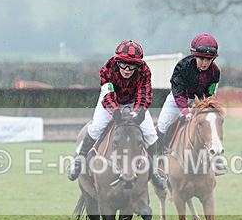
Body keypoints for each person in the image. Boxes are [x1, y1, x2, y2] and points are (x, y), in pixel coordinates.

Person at [66, 40, 167, 190]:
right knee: (96, 128)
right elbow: (108, 96)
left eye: (131, 65)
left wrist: (139, 111)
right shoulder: (107, 69)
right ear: (117, 62)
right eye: (123, 64)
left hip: (134, 102)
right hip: (111, 101)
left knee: (151, 134)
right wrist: (115, 112)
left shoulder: (145, 71)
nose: (127, 69)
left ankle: (154, 173)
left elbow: (144, 94)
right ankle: (78, 159)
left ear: (138, 65)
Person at [156, 33, 226, 175]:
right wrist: (186, 112)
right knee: (163, 124)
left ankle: (216, 161)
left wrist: (208, 108)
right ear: (194, 56)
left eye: (209, 59)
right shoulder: (182, 67)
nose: (205, 63)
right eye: (201, 59)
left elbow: (210, 94)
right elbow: (178, 92)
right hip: (178, 98)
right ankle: (157, 160)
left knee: (211, 123)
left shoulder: (215, 71)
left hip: (200, 100)